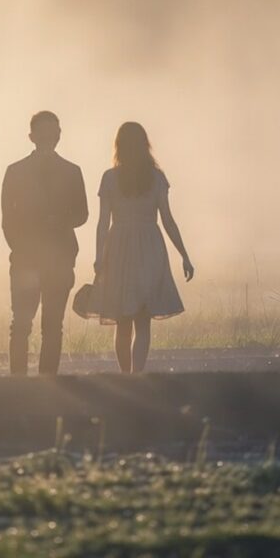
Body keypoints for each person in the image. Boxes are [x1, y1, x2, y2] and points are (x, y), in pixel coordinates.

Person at [94, 121, 194, 373]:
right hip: (150, 247)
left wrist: (99, 256)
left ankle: (125, 375)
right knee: (143, 318)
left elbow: (103, 222)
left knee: (122, 319)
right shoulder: (157, 178)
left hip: (118, 247)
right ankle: (137, 375)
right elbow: (168, 220)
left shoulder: (109, 178)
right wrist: (184, 254)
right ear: (144, 145)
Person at [2, 111, 88, 375]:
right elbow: (7, 219)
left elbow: (82, 214)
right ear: (32, 137)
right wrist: (20, 248)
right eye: (46, 133)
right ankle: (19, 381)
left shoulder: (72, 171)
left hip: (57, 259)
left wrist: (58, 222)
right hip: (28, 259)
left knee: (50, 324)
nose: (52, 137)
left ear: (60, 136)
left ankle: (46, 381)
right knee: (24, 324)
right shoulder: (15, 171)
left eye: (55, 132)